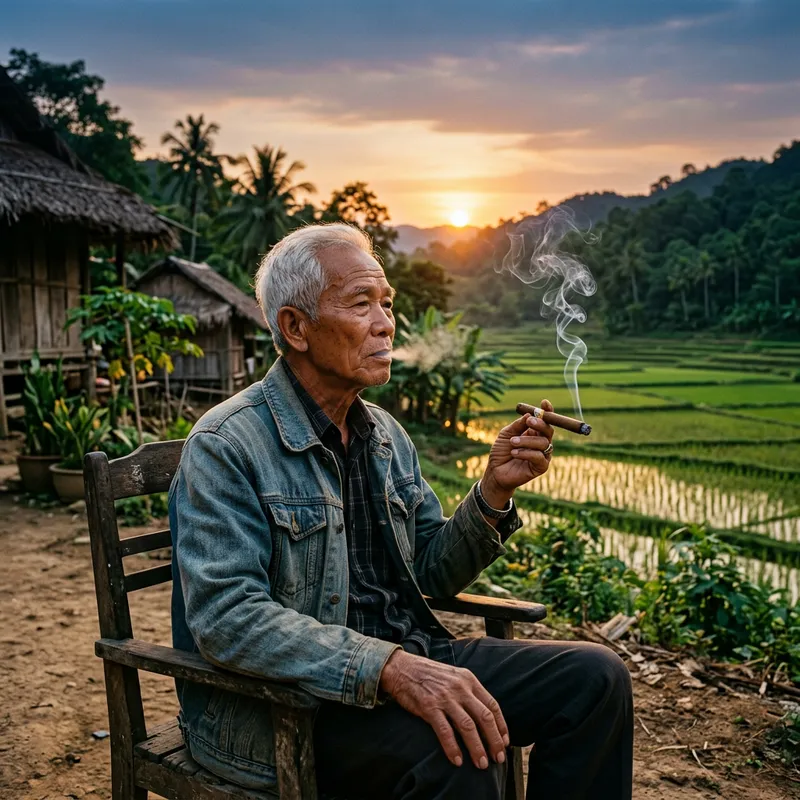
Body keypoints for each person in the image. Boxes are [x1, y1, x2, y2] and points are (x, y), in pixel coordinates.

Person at [169, 223, 633, 799]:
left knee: (595, 679)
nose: (386, 324)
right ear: (295, 327)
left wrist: (493, 491)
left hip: (412, 661)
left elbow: (432, 572)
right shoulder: (226, 445)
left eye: (386, 304)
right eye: (361, 304)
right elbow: (228, 619)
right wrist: (387, 666)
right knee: (459, 756)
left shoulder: (385, 435)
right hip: (298, 707)